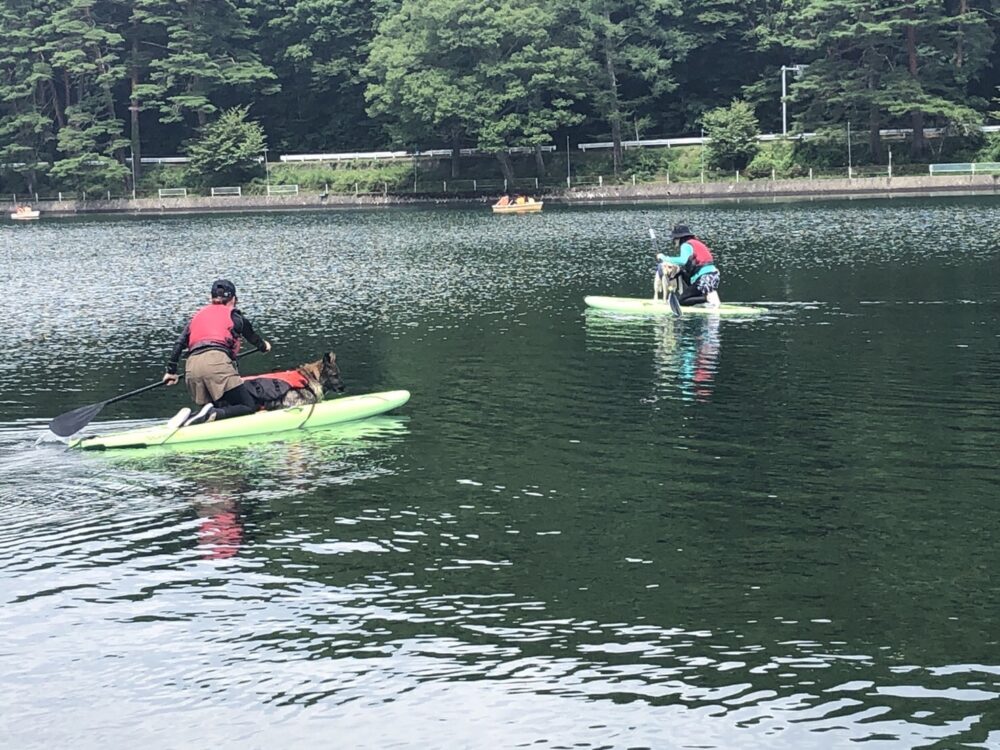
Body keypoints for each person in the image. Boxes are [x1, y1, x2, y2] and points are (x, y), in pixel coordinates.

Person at [163, 279, 271, 425]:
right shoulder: (235, 316)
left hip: (192, 367)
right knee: (247, 406)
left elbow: (179, 344)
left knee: (217, 407)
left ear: (211, 299)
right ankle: (212, 414)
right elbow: (253, 338)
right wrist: (264, 347)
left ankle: (190, 417)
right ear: (233, 299)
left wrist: (171, 371)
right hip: (217, 363)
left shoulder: (196, 317)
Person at [657, 223, 721, 307]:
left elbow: (683, 260)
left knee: (681, 300)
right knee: (681, 272)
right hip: (712, 276)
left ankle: (708, 298)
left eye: (674, 239)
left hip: (705, 278)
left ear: (679, 238)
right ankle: (704, 298)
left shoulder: (686, 245)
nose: (674, 242)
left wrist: (664, 258)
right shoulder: (695, 243)